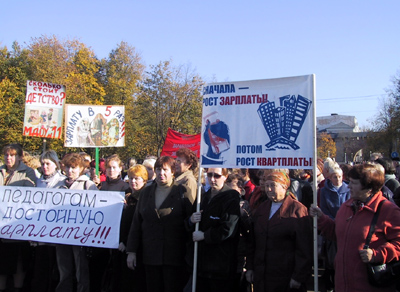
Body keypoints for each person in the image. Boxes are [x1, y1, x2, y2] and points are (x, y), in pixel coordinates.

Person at [310, 163, 400, 292]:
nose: (349, 186)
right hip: (343, 284)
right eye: (349, 181)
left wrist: (377, 254)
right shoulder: (347, 206)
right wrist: (322, 219)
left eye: (354, 183)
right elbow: (338, 234)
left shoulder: (388, 211)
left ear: (369, 188)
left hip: (370, 285)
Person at [126, 156, 193, 292]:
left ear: (173, 172)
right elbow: (136, 223)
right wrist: (131, 251)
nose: (161, 173)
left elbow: (189, 222)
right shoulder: (146, 193)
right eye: (158, 169)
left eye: (165, 170)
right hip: (150, 255)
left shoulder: (182, 192)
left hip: (174, 257)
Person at [246, 171, 313, 292]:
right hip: (262, 275)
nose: (269, 189)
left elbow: (304, 247)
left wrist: (298, 277)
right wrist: (250, 267)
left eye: (273, 185)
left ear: (284, 187)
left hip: (285, 276)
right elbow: (253, 241)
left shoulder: (297, 210)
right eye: (267, 186)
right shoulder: (262, 208)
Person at [188, 168, 241, 292]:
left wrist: (205, 236)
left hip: (221, 265)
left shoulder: (231, 198)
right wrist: (191, 220)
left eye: (217, 176)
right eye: (209, 175)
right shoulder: (203, 197)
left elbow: (228, 229)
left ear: (225, 176)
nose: (212, 179)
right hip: (201, 264)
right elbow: (189, 222)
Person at [56, 153, 98, 292]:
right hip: (61, 234)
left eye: (74, 168)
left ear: (80, 168)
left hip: (80, 235)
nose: (70, 171)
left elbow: (97, 206)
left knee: (81, 269)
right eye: (68, 167)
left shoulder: (88, 184)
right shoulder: (59, 185)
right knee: (64, 268)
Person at [90, 154, 129, 292]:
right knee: (98, 267)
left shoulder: (125, 187)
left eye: (114, 167)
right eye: (109, 168)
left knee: (114, 269)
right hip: (100, 235)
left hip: (115, 235)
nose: (111, 170)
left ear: (120, 169)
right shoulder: (101, 186)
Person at [0, 144, 37, 292]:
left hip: (18, 226)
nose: (8, 158)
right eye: (6, 155)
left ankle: (17, 289)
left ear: (20, 157)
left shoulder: (28, 173)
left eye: (12, 155)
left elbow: (33, 196)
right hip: (1, 226)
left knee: (19, 263)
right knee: (1, 263)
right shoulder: (1, 171)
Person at [30, 150, 67, 292]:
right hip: (40, 235)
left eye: (48, 164)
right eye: (43, 164)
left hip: (56, 236)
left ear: (56, 164)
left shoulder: (62, 182)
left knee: (56, 270)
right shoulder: (37, 182)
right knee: (40, 269)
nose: (45, 167)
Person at [117, 165, 149, 292]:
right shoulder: (128, 197)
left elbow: (137, 225)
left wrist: (126, 242)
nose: (133, 181)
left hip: (136, 248)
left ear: (144, 180)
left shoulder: (144, 198)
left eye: (137, 178)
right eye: (130, 178)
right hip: (123, 246)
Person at [319, 164, 350, 291]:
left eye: (339, 177)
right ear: (329, 178)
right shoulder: (324, 191)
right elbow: (324, 209)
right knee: (331, 259)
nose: (337, 179)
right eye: (334, 177)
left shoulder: (348, 190)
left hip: (345, 226)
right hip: (331, 226)